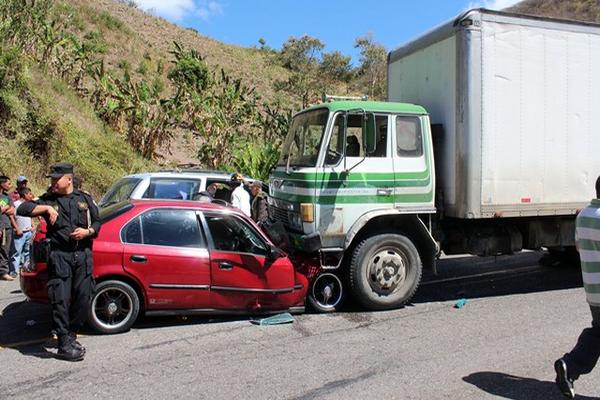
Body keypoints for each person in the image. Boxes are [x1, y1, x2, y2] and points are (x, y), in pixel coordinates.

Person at [17, 163, 101, 362]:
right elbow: (22, 208)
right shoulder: (48, 199)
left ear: (69, 179)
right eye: (51, 179)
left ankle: (71, 335)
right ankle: (63, 342)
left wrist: (87, 232)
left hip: (83, 256)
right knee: (60, 300)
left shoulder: (85, 199)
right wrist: (45, 208)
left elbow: (98, 222)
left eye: (56, 179)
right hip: (61, 256)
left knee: (83, 297)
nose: (53, 182)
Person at [554, 175, 600, 398]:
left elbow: (580, 248)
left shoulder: (584, 215)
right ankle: (570, 365)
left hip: (593, 291)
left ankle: (569, 367)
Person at [11, 187, 34, 275]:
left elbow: (30, 216)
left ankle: (25, 268)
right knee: (16, 252)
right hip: (20, 232)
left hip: (28, 231)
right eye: (29, 194)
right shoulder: (16, 204)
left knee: (27, 252)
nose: (31, 196)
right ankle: (14, 271)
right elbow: (12, 217)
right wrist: (17, 228)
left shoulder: (29, 204)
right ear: (25, 195)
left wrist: (32, 226)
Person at [0, 176, 16, 281]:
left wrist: (4, 208)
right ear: (2, 183)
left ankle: (3, 272)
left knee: (5, 250)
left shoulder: (7, 196)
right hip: (1, 226)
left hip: (7, 226)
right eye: (8, 183)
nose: (10, 186)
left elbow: (12, 210)